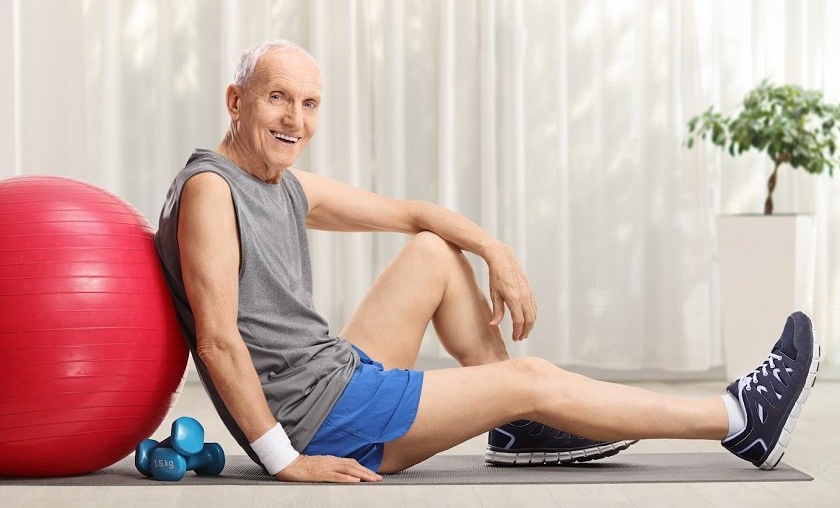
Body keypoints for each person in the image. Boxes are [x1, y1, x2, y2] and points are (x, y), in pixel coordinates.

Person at [155, 39, 820, 483]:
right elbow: (217, 342)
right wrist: (284, 462)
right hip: (321, 419)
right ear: (236, 101)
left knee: (433, 253)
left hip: (335, 376)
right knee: (531, 374)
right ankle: (740, 419)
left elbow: (414, 213)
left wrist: (493, 250)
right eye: (278, 98)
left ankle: (519, 428)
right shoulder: (214, 191)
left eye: (309, 104)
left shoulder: (278, 183)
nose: (295, 120)